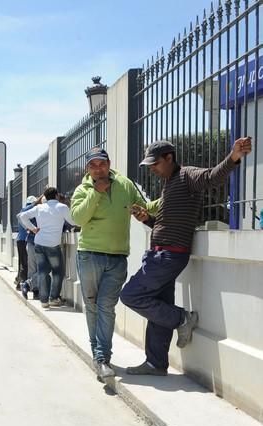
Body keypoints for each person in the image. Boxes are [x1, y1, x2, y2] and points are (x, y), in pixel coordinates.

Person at [120, 137, 253, 376]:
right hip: (161, 254)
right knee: (159, 308)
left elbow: (213, 177)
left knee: (130, 295)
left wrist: (233, 157)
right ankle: (155, 363)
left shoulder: (187, 175)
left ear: (169, 158)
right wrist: (147, 219)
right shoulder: (169, 183)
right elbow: (167, 223)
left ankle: (183, 318)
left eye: (155, 163)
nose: (152, 168)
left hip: (168, 256)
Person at [70, 147, 159, 382]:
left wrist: (169, 196)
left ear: (109, 164)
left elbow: (143, 206)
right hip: (89, 254)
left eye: (102, 164)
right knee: (92, 306)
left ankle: (102, 357)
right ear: (88, 169)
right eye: (93, 165)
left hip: (118, 257)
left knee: (106, 306)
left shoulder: (125, 184)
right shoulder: (82, 190)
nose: (98, 169)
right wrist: (96, 193)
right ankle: (99, 356)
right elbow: (78, 218)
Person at [18, 187, 77, 309]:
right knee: (58, 272)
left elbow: (22, 216)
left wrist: (32, 229)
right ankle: (53, 298)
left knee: (42, 271)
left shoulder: (40, 208)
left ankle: (44, 301)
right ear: (56, 196)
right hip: (53, 245)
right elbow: (73, 221)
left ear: (45, 197)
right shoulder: (62, 207)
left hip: (38, 243)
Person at [18, 196, 39, 299]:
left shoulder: (36, 212)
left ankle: (28, 285)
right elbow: (22, 214)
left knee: (29, 266)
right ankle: (31, 287)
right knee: (32, 267)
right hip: (29, 241)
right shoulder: (29, 210)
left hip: (28, 241)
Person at [14, 195, 36, 292]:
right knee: (25, 263)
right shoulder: (26, 211)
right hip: (24, 241)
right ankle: (23, 283)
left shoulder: (23, 212)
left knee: (22, 263)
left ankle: (19, 282)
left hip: (20, 240)